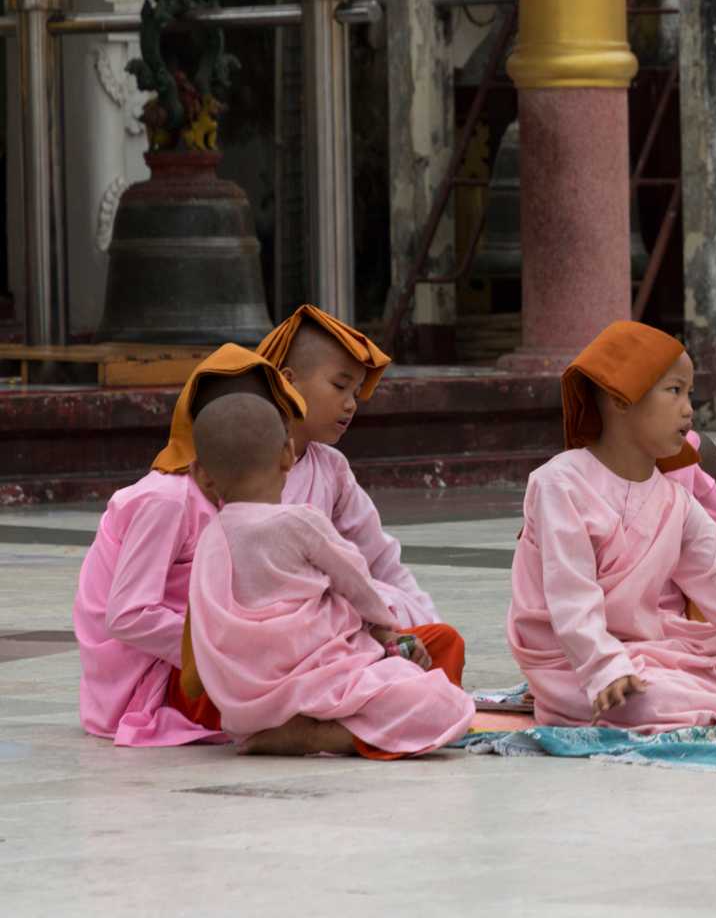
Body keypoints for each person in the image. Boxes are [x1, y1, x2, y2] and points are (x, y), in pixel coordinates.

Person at [507, 321, 716, 732]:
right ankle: (691, 702)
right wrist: (604, 667)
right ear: (618, 398)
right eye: (674, 391)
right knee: (646, 700)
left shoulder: (675, 500)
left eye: (690, 394)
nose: (689, 410)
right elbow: (570, 595)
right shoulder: (560, 483)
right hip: (576, 663)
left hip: (656, 649)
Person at [186, 394, 474, 756]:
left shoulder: (209, 541)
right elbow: (358, 583)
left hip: (246, 708)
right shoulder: (300, 521)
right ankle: (316, 736)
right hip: (321, 683)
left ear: (199, 475)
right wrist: (386, 630)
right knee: (443, 704)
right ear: (288, 454)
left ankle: (294, 730)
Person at [73, 345, 307, 746]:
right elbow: (127, 615)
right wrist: (223, 649)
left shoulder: (227, 493)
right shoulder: (167, 499)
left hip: (207, 654)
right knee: (292, 689)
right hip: (152, 681)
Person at [254, 305, 439, 627]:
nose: (351, 403)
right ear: (288, 382)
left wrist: (430, 623)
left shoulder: (330, 468)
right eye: (339, 387)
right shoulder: (234, 466)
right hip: (259, 628)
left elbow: (380, 559)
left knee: (406, 616)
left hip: (320, 625)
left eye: (356, 392)